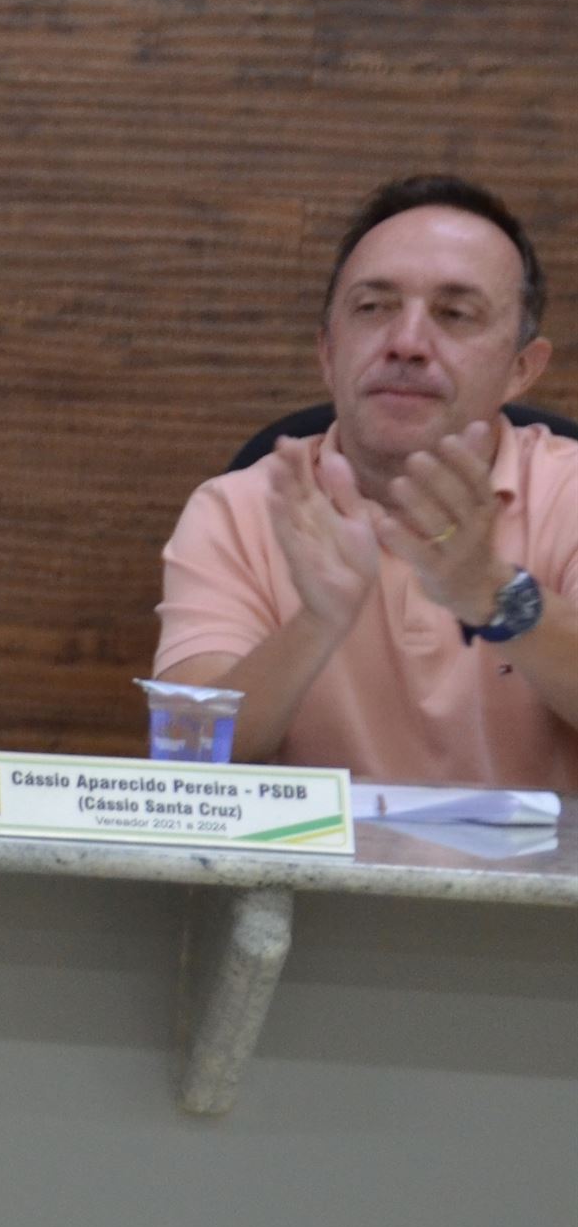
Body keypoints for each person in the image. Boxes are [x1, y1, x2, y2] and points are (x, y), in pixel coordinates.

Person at [157, 174, 578, 786]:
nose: (406, 343)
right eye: (373, 308)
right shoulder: (237, 508)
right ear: (328, 353)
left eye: (455, 314)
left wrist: (494, 594)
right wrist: (314, 625)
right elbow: (186, 757)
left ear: (521, 369)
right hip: (316, 854)